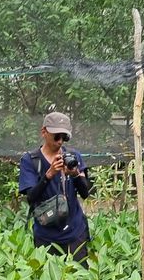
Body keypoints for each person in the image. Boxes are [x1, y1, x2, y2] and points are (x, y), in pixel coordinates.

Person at [18, 112, 93, 262]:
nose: (60, 142)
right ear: (44, 132)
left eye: (64, 137)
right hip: (46, 236)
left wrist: (75, 174)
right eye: (56, 136)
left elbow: (85, 192)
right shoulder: (30, 160)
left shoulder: (73, 157)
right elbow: (31, 197)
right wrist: (49, 174)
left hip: (75, 233)